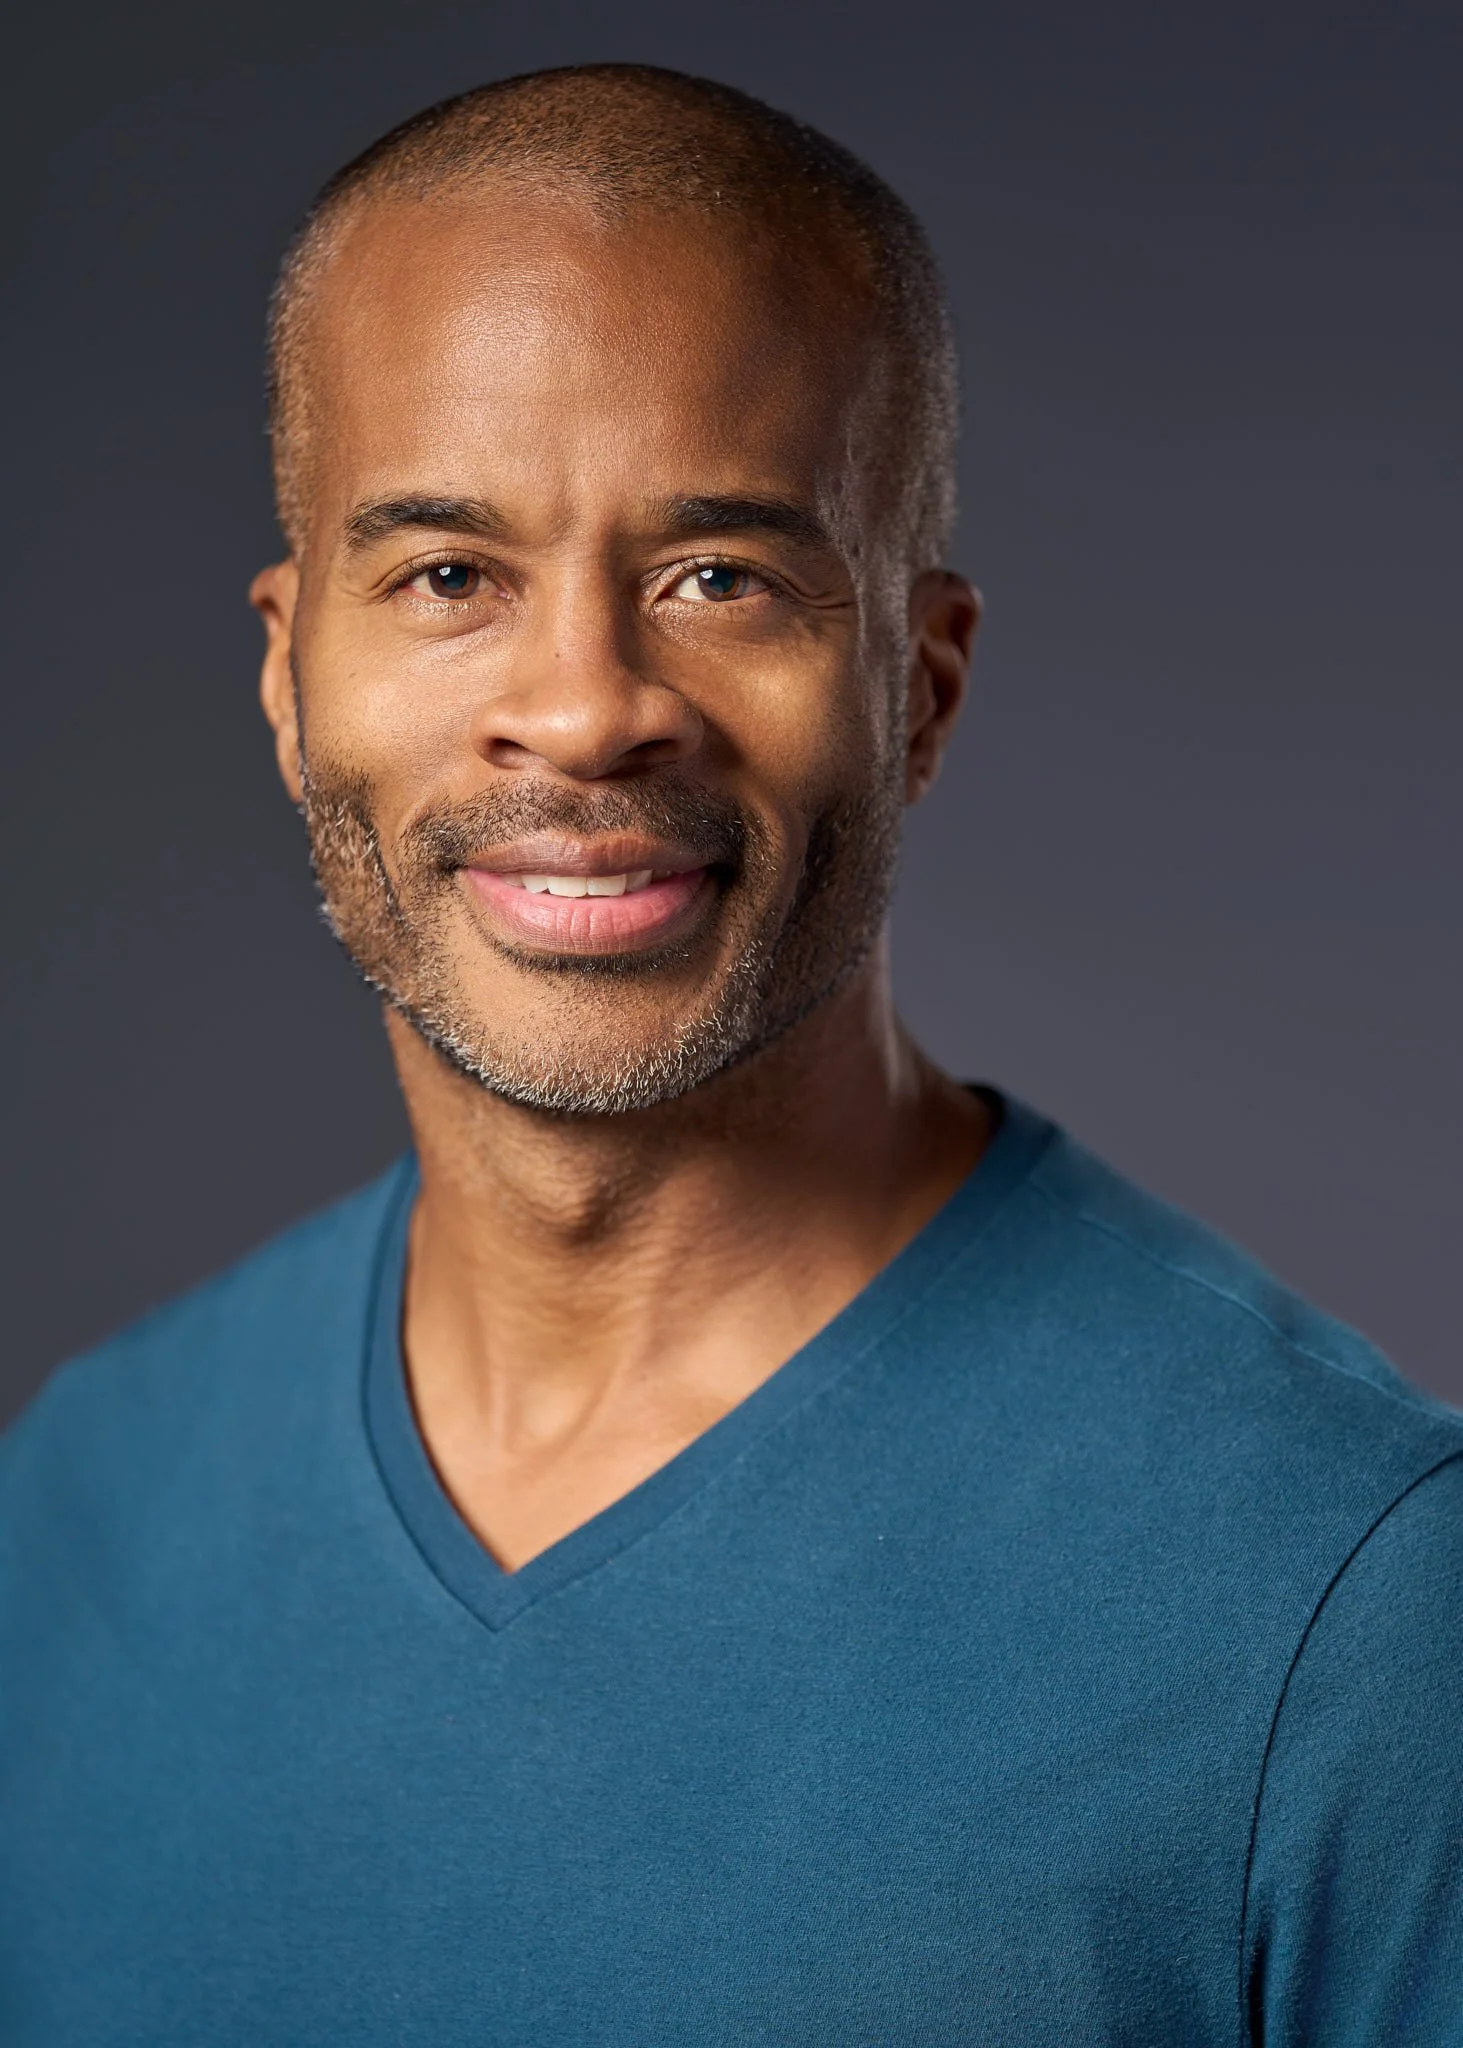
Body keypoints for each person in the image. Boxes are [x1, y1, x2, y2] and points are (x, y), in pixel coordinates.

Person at [0, 63, 1458, 2045]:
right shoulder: (79, 1508)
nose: (586, 711)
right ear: (286, 672)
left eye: (719, 578)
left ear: (916, 691)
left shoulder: (1358, 1607)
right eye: (448, 578)